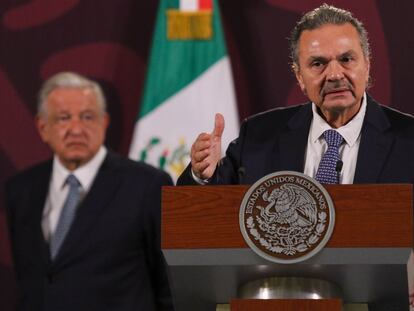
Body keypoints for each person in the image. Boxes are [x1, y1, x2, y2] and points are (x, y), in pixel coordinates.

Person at [177, 4, 414, 186]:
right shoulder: (259, 136)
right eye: (318, 63)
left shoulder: (409, 141)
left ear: (367, 65)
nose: (334, 74)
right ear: (299, 75)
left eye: (346, 59)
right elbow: (207, 215)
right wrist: (202, 176)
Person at [5, 72, 175, 311]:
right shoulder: (20, 190)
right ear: (43, 127)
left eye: (87, 117)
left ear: (104, 123)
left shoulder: (148, 185)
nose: (76, 129)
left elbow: (170, 286)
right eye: (63, 118)